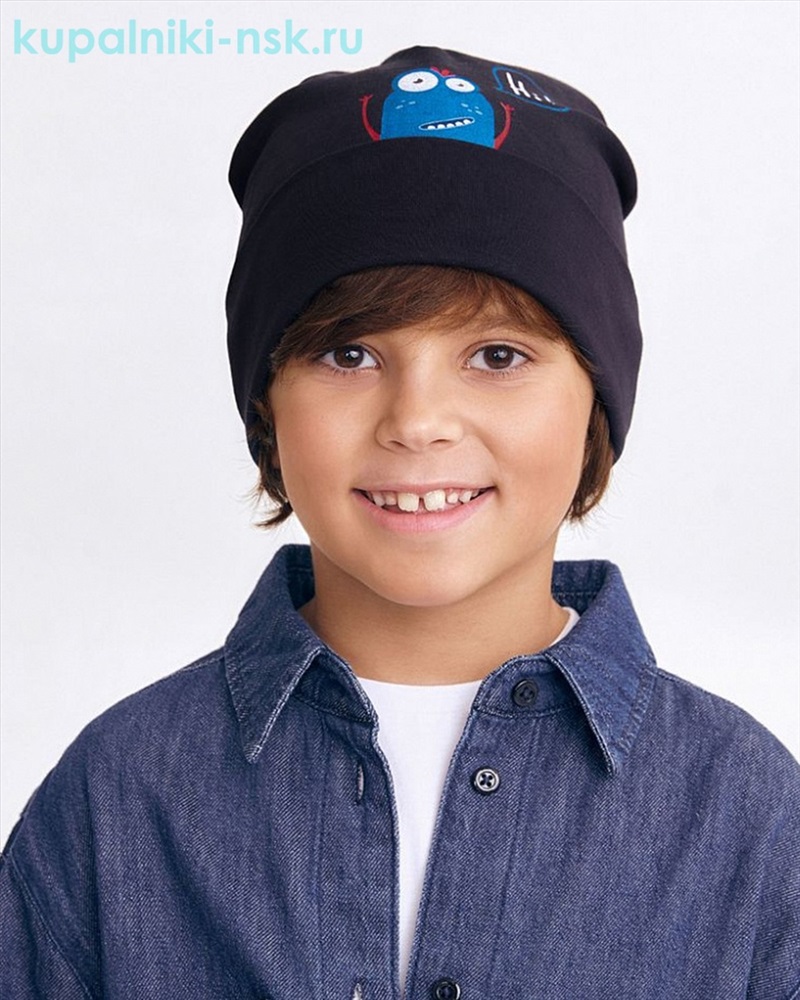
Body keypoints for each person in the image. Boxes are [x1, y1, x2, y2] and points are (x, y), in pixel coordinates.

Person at [1, 46, 798, 1000]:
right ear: (266, 407)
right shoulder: (115, 801)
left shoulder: (750, 818)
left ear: (597, 399)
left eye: (497, 355)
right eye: (349, 354)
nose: (418, 422)